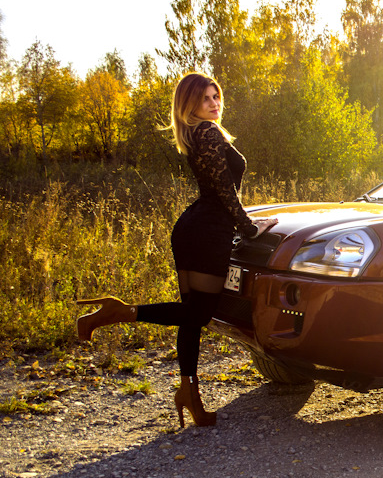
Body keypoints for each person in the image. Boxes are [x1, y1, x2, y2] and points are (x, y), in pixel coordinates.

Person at [77, 72, 275, 428]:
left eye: (217, 96)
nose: (215, 104)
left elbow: (218, 189)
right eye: (206, 99)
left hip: (195, 227)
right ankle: (119, 313)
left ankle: (189, 393)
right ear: (190, 105)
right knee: (198, 314)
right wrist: (248, 227)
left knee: (190, 314)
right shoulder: (208, 133)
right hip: (208, 231)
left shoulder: (196, 134)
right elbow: (224, 190)